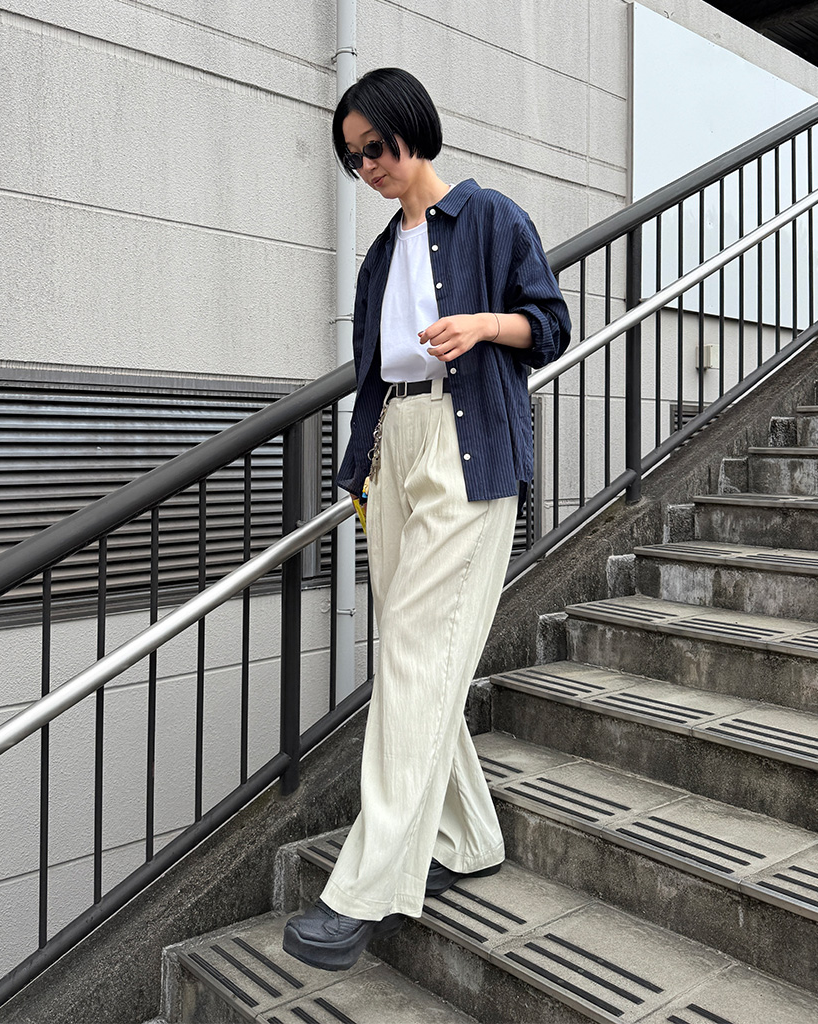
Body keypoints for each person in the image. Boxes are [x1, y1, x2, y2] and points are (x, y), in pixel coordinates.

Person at [283, 67, 570, 971]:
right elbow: (374, 376)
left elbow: (551, 325)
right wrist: (363, 471)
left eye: (375, 146)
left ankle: (364, 888)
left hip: (465, 443)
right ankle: (471, 836)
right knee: (418, 658)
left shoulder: (492, 217)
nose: (367, 165)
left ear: (412, 128)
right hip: (394, 452)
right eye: (353, 157)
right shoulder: (379, 256)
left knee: (415, 654)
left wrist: (484, 324)